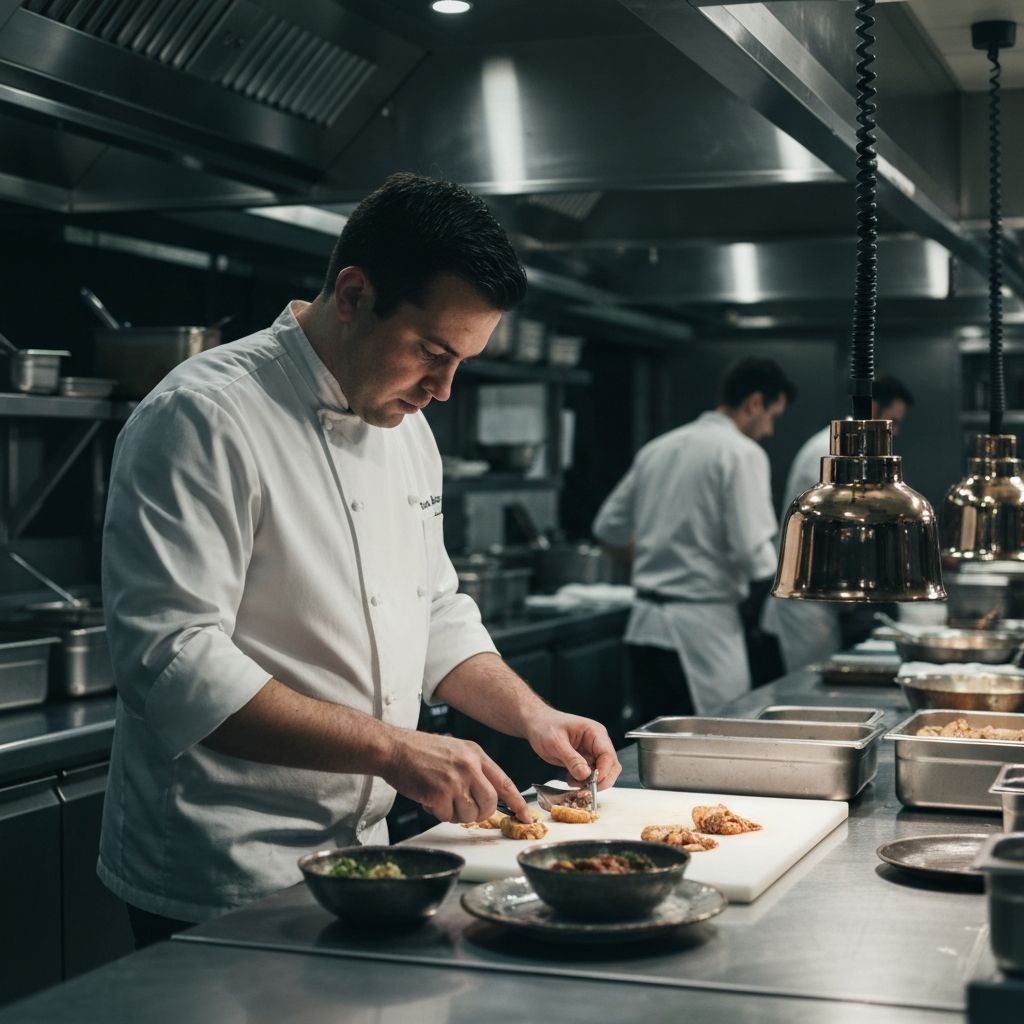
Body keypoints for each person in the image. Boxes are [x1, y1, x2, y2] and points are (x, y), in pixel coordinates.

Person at [98, 172, 621, 947]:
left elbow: (435, 610)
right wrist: (396, 750)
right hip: (220, 866)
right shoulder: (204, 415)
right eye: (431, 352)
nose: (444, 390)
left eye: (462, 362)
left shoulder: (408, 430)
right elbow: (173, 663)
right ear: (352, 293)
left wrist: (532, 716)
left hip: (367, 858)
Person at [592, 358, 796, 722]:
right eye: (772, 417)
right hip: (702, 630)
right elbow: (752, 554)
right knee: (714, 744)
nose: (770, 430)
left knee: (653, 748)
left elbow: (608, 529)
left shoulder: (659, 447)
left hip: (644, 628)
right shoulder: (741, 452)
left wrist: (659, 555)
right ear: (754, 403)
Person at [761, 374, 915, 672]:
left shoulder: (856, 453)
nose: (896, 431)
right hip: (806, 599)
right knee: (808, 686)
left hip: (827, 599)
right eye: (893, 421)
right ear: (872, 411)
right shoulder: (832, 452)